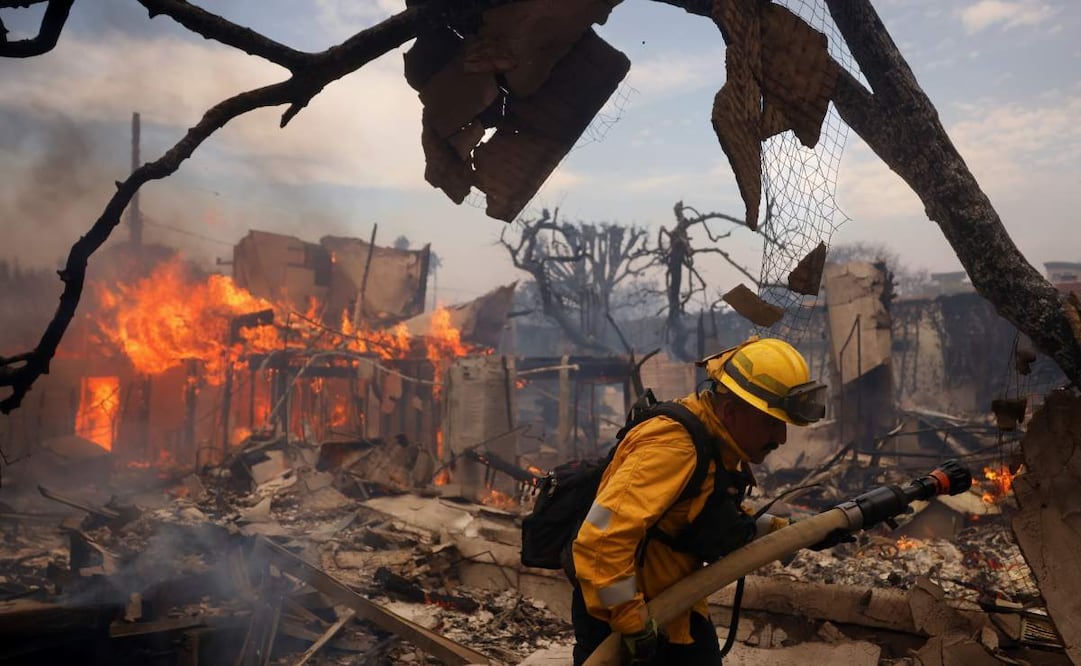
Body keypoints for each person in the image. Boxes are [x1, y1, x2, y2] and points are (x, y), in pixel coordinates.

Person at [571, 336, 827, 665]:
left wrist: (785, 531)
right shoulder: (674, 448)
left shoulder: (713, 439)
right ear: (731, 411)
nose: (781, 437)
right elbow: (602, 538)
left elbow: (701, 515)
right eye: (771, 422)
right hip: (627, 618)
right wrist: (630, 622)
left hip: (675, 608)